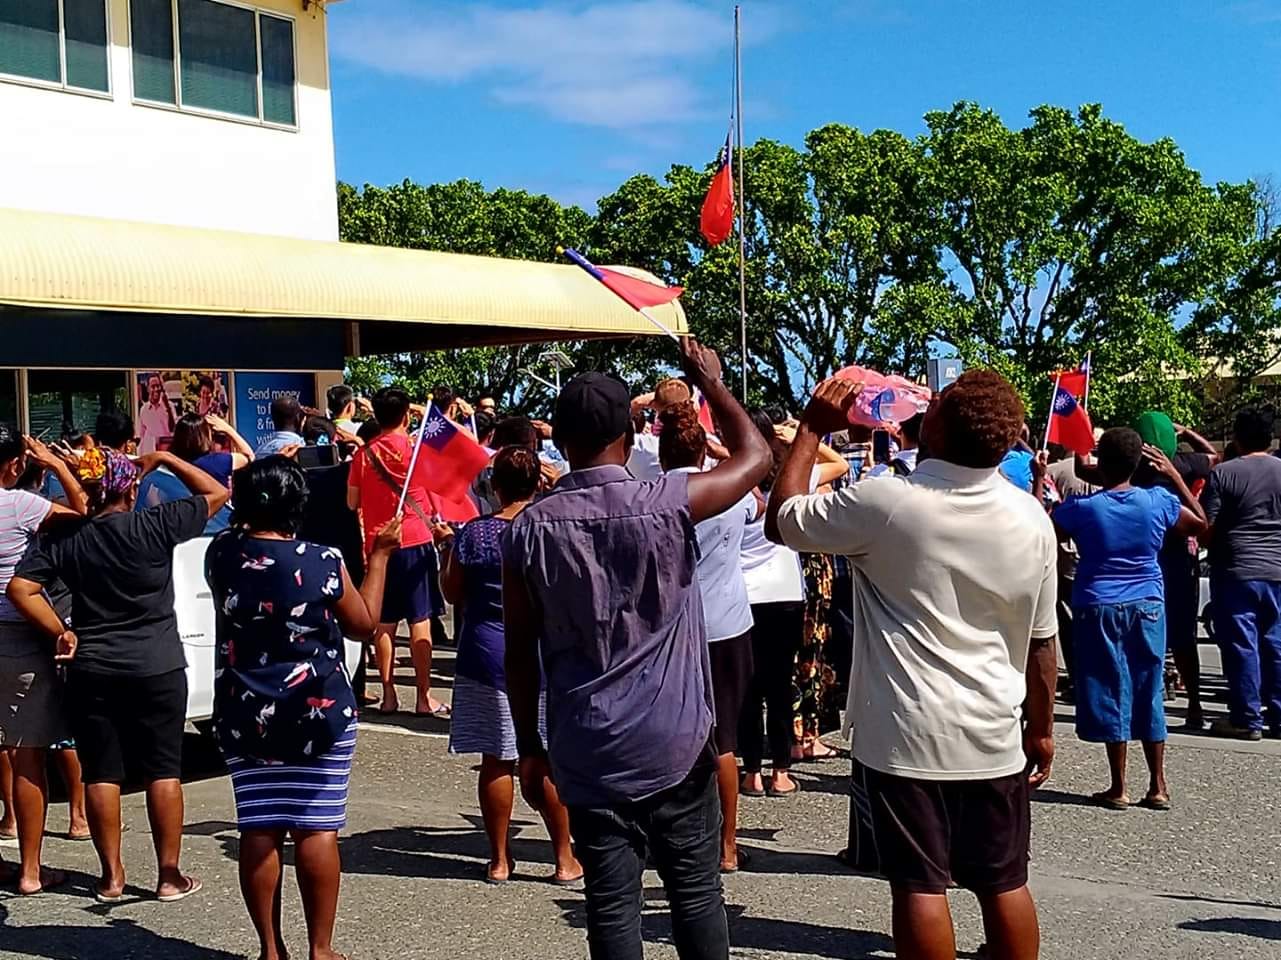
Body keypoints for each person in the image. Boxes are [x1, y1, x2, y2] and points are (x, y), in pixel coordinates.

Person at [765, 370, 1059, 960]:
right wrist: (1043, 729)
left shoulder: (888, 501)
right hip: (994, 730)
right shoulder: (1032, 519)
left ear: (937, 428)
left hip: (907, 733)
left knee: (921, 885)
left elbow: (784, 517)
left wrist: (812, 428)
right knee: (1005, 880)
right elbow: (1042, 643)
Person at [504, 340, 771, 960]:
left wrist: (529, 746)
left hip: (586, 742)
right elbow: (756, 457)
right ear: (630, 432)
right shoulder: (669, 501)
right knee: (696, 895)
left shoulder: (529, 530)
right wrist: (709, 383)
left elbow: (521, 653)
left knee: (611, 902)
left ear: (560, 441)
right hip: (673, 737)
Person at [7, 447, 229, 903]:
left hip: (94, 666)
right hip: (158, 662)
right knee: (163, 769)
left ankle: (111, 877)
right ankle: (169, 876)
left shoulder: (70, 537)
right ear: (130, 487)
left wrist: (61, 631)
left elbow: (20, 587)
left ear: (89, 489)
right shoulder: (153, 524)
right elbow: (217, 492)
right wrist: (165, 456)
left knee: (101, 772)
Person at [206, 457, 400, 960]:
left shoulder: (222, 554)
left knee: (259, 824)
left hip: (243, 709)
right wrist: (378, 557)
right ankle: (321, 948)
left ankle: (270, 950)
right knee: (316, 826)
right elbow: (365, 624)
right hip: (319, 710)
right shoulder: (323, 561)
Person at [439, 446, 581, 885]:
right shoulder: (550, 529)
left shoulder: (473, 534)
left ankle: (500, 859)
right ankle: (563, 858)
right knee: (549, 756)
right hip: (543, 653)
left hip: (484, 652)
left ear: (493, 485)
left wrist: (448, 549)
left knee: (496, 759)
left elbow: (451, 593)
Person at [1053, 429, 1207, 810]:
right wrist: (1173, 473)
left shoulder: (1084, 509)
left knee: (1109, 686)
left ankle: (1118, 785)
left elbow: (1041, 528)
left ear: (1099, 464)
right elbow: (1201, 523)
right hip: (1148, 602)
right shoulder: (1157, 501)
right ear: (1139, 464)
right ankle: (1158, 784)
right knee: (1148, 685)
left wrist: (1041, 478)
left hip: (1097, 603)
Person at [658, 404, 759, 874]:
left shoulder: (652, 496)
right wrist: (722, 452)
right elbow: (759, 496)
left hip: (669, 628)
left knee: (669, 734)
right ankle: (728, 844)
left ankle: (669, 838)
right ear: (702, 450)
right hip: (727, 623)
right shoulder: (731, 492)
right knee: (725, 742)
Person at [0, 426, 88, 893]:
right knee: (29, 756)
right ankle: (31, 871)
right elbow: (81, 511)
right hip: (20, 636)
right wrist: (56, 464)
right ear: (15, 465)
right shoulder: (21, 504)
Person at [347, 388, 447, 716]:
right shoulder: (418, 450)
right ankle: (423, 696)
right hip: (416, 541)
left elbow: (352, 503)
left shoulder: (364, 455)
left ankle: (388, 694)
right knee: (420, 621)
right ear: (406, 415)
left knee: (385, 622)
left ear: (374, 416)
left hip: (380, 547)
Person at [1133, 411, 1218, 729]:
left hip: (1146, 560)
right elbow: (1212, 455)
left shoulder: (1134, 467)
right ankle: (1194, 703)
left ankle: (1149, 701)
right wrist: (1189, 433)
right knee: (1184, 638)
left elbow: (1086, 467)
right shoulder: (1185, 465)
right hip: (1180, 561)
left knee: (1146, 635)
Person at [1201, 406, 1281, 740]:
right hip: (1277, 567)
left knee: (1241, 645)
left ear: (1236, 436)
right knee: (1276, 641)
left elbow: (1208, 526)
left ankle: (1246, 717)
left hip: (1237, 567)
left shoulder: (1224, 473)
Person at [137, 374, 178, 455]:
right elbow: (141, 435)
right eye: (153, 386)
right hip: (149, 453)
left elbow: (173, 428)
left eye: (158, 386)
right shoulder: (144, 409)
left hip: (165, 452)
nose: (156, 389)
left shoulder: (169, 406)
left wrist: (167, 408)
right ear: (148, 388)